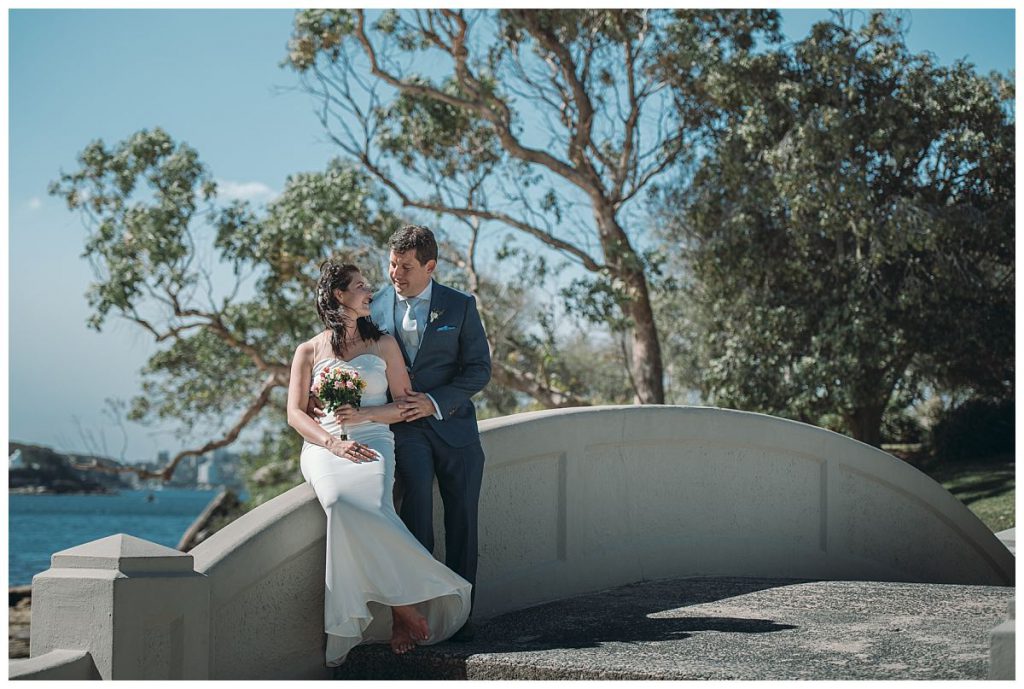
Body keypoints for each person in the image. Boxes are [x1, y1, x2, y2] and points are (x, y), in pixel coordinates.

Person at [286, 260, 471, 667]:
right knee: (338, 505)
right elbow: (295, 414)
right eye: (360, 286)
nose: (371, 291)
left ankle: (397, 608)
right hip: (324, 447)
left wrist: (366, 417)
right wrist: (333, 443)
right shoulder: (308, 350)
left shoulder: (384, 344)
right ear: (339, 296)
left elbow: (405, 407)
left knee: (371, 505)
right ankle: (403, 607)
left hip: (373, 440)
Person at [369, 225, 491, 641]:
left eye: (405, 266)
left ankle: (460, 618)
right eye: (391, 264)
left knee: (463, 523)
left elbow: (479, 369)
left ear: (430, 266)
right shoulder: (373, 307)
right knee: (416, 511)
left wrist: (435, 401)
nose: (395, 274)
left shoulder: (459, 306)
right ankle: (416, 617)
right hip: (405, 431)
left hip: (454, 428)